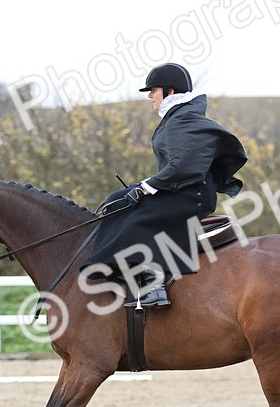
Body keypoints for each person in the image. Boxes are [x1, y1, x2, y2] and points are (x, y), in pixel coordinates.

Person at [81, 63, 247, 308]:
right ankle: (118, 267)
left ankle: (154, 281)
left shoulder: (182, 119)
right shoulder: (178, 116)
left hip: (191, 195)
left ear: (170, 92)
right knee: (118, 200)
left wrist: (146, 187)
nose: (149, 96)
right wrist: (139, 188)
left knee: (137, 218)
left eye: (153, 90)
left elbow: (181, 167)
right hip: (183, 190)